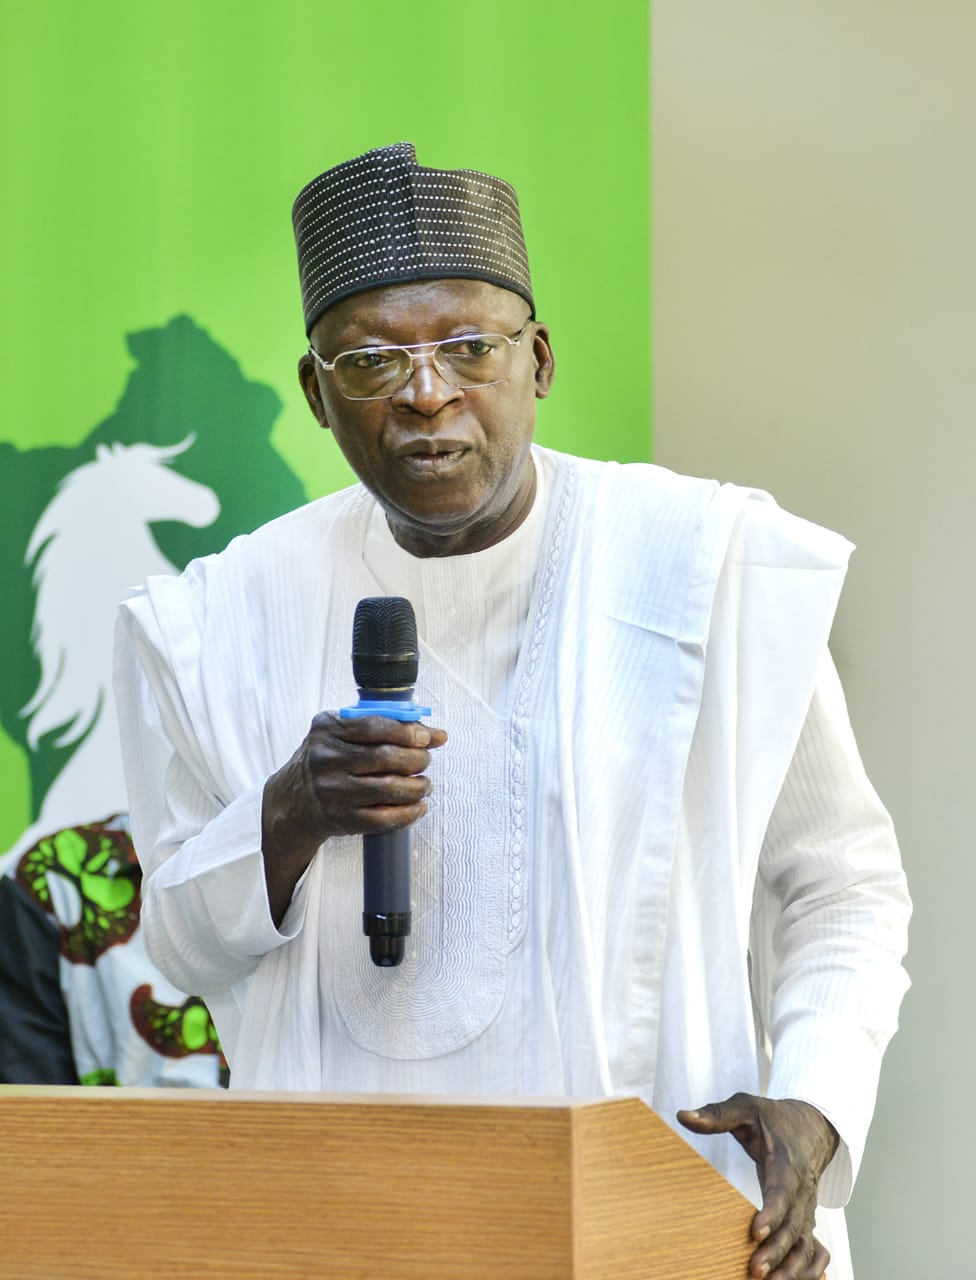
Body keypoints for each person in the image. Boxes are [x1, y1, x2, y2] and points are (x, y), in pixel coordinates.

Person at [113, 142, 910, 1280]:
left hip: (658, 1212)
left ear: (536, 360)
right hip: (350, 1226)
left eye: (467, 347)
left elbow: (842, 883)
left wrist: (816, 1098)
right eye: (370, 360)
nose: (424, 392)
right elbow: (182, 945)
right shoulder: (222, 617)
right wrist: (287, 813)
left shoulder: (704, 564)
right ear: (315, 393)